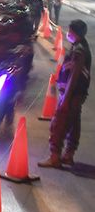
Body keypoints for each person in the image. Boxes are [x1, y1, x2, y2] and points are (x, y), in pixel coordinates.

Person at [39, 19, 92, 167]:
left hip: (73, 94)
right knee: (74, 124)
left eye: (69, 31)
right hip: (76, 94)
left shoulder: (79, 50)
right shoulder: (80, 47)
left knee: (59, 124)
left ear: (74, 33)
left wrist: (66, 99)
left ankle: (55, 157)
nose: (67, 34)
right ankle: (68, 155)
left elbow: (74, 76)